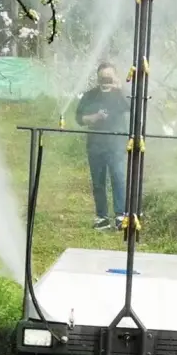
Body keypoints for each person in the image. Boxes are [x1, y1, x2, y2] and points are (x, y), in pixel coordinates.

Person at [75, 62, 129, 230]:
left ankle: (121, 216)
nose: (105, 81)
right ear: (97, 78)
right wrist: (94, 118)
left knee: (118, 178)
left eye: (109, 77)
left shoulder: (121, 94)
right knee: (98, 181)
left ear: (115, 77)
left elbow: (131, 107)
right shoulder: (90, 95)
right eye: (102, 77)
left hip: (116, 143)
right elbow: (79, 117)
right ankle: (102, 217)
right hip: (95, 144)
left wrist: (119, 88)